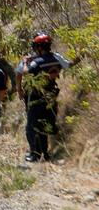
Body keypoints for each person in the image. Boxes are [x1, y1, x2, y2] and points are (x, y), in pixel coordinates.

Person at [22, 34, 77, 162]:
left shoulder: (37, 62)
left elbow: (26, 72)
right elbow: (69, 64)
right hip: (51, 95)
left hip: (36, 96)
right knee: (45, 125)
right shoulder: (56, 58)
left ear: (39, 47)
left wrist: (25, 62)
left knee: (32, 126)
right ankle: (45, 154)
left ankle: (35, 154)